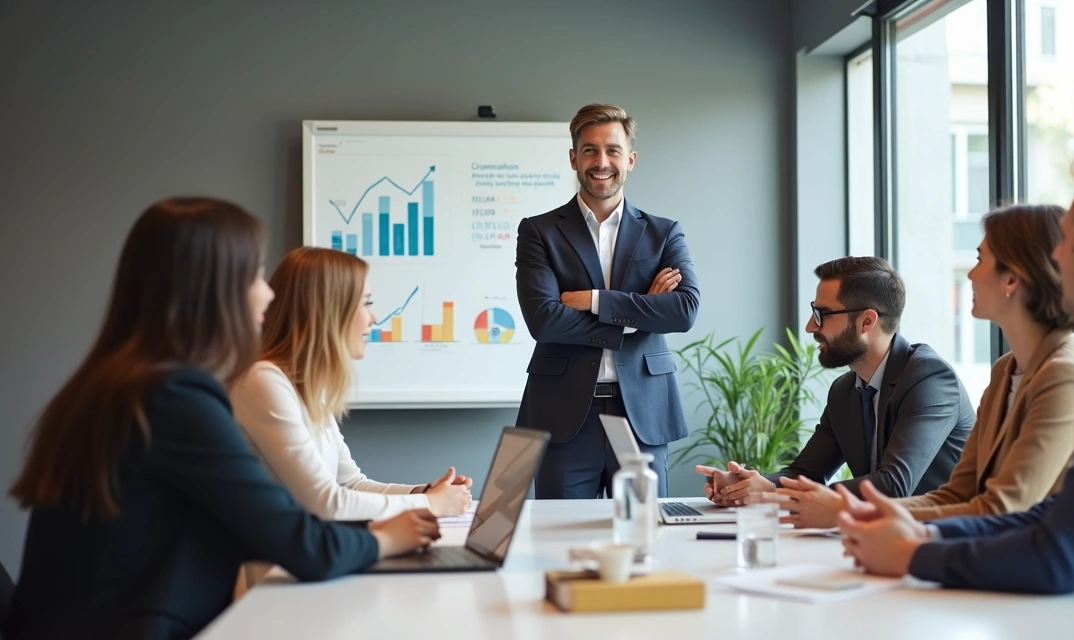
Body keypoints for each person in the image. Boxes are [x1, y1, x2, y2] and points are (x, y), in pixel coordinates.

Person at [3, 198, 438, 640]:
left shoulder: (111, 385)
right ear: (214, 287)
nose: (268, 293)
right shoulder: (175, 399)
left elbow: (268, 529)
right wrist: (389, 538)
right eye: (254, 274)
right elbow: (308, 547)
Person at [837, 152, 1074, 636]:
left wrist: (915, 554)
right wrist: (925, 531)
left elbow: (1061, 555)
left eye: (1069, 242)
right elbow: (1058, 514)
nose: (1055, 258)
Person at [773, 206, 1074, 527]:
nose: (969, 274)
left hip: (1017, 570)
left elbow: (1002, 509)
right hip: (975, 555)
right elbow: (955, 495)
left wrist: (852, 513)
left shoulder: (1063, 374)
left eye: (980, 260)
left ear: (1012, 277)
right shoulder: (1006, 368)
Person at [515, 103, 699, 499]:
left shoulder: (664, 233)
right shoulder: (538, 232)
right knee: (560, 543)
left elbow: (683, 310)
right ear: (573, 158)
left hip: (642, 413)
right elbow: (544, 320)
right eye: (590, 150)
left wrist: (595, 300)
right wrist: (637, 313)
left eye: (613, 150)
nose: (602, 162)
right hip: (562, 417)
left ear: (630, 159)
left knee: (643, 542)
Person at [696, 257, 974, 511]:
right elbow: (803, 473)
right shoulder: (845, 391)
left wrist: (779, 494)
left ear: (867, 321)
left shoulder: (929, 378)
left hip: (950, 544)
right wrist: (748, 485)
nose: (809, 327)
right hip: (881, 537)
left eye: (822, 315)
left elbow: (894, 486)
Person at [231, 247, 473, 522]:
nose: (374, 318)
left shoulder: (305, 387)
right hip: (271, 562)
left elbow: (351, 484)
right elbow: (326, 503)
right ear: (329, 311)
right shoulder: (264, 381)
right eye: (366, 303)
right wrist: (429, 504)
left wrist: (424, 492)